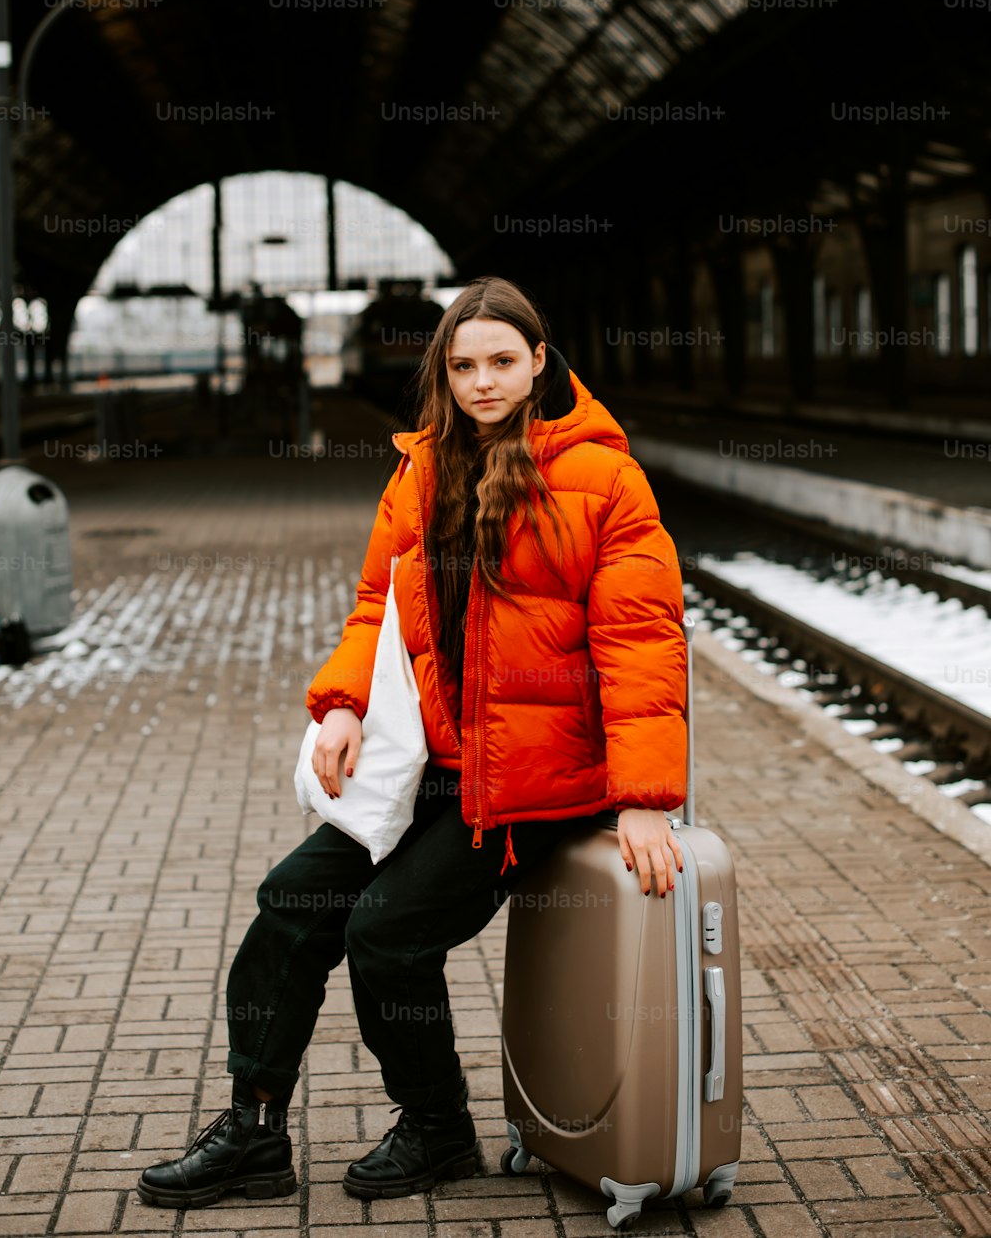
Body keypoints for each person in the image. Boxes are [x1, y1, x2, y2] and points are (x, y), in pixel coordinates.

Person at [136, 274, 688, 1210]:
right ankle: (255, 1133)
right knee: (289, 906)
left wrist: (643, 798)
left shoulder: (603, 477)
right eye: (464, 365)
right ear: (444, 370)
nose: (482, 382)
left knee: (385, 933)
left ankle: (437, 1129)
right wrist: (343, 705)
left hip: (537, 783)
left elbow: (641, 640)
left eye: (502, 362)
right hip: (435, 763)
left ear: (539, 362)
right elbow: (376, 607)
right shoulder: (423, 467)